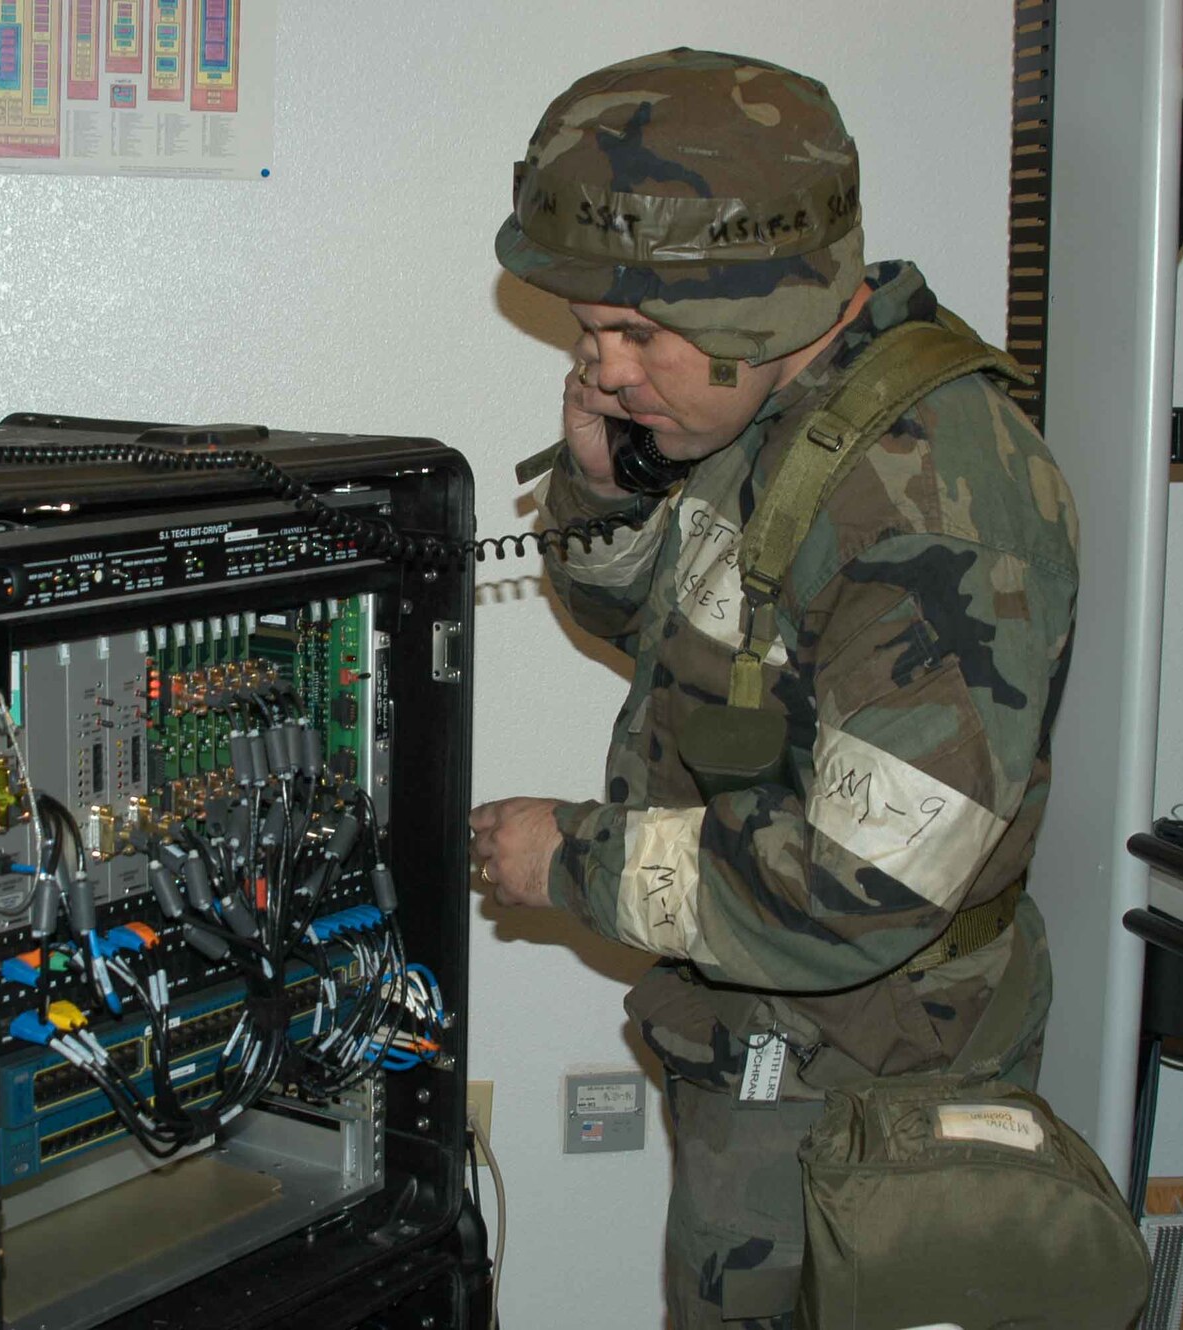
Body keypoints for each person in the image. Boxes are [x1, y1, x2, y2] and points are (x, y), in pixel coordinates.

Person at [468, 49, 1079, 1329]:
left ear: (760, 303)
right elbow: (666, 635)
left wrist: (568, 860)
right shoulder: (781, 406)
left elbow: (863, 883)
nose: (601, 369)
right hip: (768, 1029)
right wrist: (607, 488)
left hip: (865, 1069)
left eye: (635, 334)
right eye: (589, 332)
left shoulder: (927, 503)